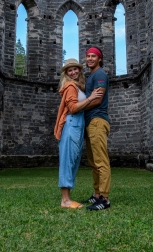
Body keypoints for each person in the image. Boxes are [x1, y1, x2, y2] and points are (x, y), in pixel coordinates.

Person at [54, 58, 103, 209]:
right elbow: (73, 108)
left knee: (73, 161)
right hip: (71, 125)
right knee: (67, 161)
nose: (73, 72)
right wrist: (90, 98)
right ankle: (65, 200)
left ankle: (67, 198)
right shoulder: (70, 86)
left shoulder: (77, 86)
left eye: (75, 69)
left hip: (77, 126)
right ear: (66, 74)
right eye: (70, 70)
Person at [83, 47, 111, 210]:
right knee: (94, 162)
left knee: (101, 161)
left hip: (98, 120)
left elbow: (97, 99)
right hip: (90, 121)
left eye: (93, 56)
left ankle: (105, 199)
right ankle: (97, 195)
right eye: (88, 56)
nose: (90, 59)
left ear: (99, 59)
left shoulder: (100, 74)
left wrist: (79, 107)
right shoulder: (91, 76)